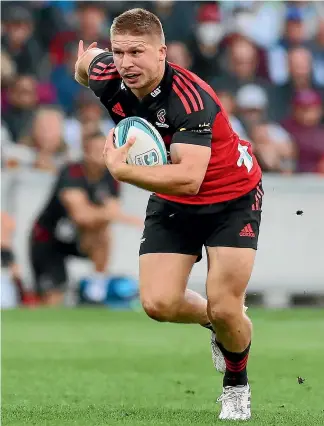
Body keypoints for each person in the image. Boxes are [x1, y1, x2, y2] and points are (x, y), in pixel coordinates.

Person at [75, 8, 263, 421]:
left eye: (137, 52)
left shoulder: (191, 99)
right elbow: (87, 64)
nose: (126, 63)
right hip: (170, 192)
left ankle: (236, 383)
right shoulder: (110, 74)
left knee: (227, 305)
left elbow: (190, 179)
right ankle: (216, 324)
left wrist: (124, 171)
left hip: (230, 197)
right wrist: (82, 66)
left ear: (162, 52)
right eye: (119, 52)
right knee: (158, 303)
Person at [29, 131, 143, 306]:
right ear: (85, 151)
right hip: (48, 238)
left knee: (103, 232)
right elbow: (80, 215)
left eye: (104, 149)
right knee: (52, 299)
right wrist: (117, 216)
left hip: (80, 236)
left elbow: (109, 211)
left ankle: (95, 290)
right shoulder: (72, 173)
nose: (101, 154)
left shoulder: (110, 177)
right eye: (95, 149)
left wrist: (109, 214)